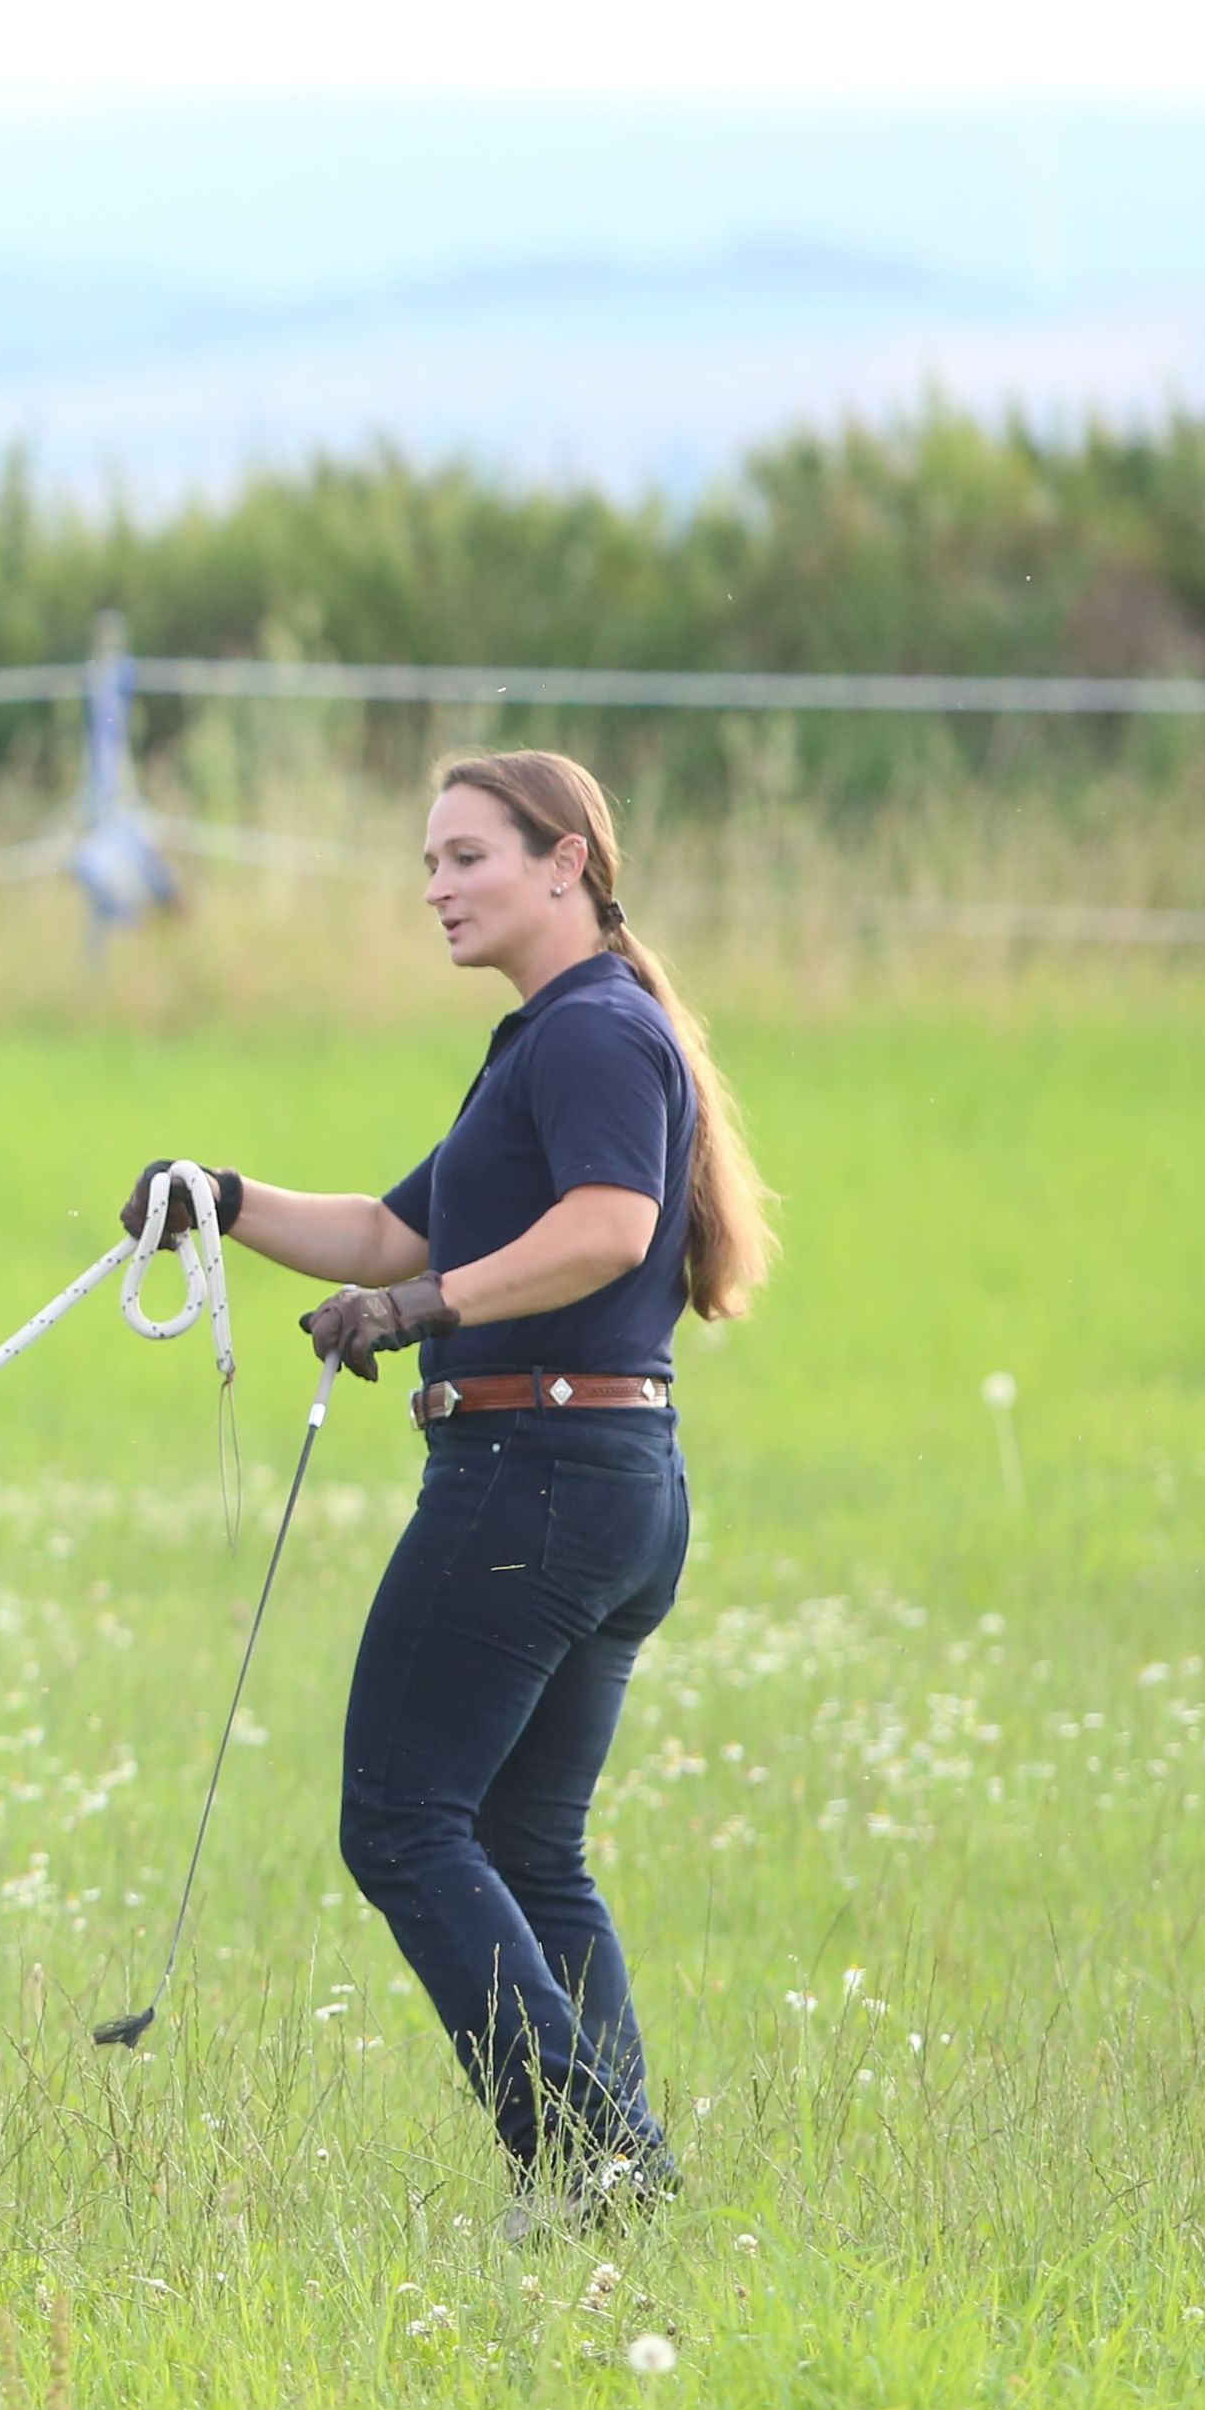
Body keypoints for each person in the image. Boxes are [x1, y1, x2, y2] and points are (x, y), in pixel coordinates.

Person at [120, 749, 774, 2229]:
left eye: (467, 856)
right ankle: (617, 2175)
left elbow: (609, 1227)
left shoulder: (594, 1034)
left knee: (401, 1820)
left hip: (533, 1480)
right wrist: (216, 1198)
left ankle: (597, 2158)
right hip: (606, 1483)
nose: (436, 887)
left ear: (566, 862)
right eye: (428, 863)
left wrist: (432, 1312)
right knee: (531, 1846)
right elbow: (375, 1230)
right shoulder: (552, 1038)